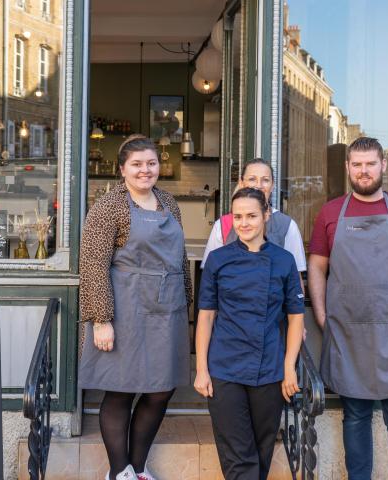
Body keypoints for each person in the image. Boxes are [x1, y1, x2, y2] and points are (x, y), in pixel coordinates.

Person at [307, 137, 388, 480]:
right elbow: (317, 266)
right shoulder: (330, 213)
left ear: (383, 166)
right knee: (356, 420)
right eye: (357, 164)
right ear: (348, 167)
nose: (364, 171)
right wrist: (322, 316)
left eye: (370, 164)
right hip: (349, 336)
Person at [78, 134, 192, 480]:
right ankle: (120, 472)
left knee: (161, 389)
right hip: (124, 308)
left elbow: (180, 258)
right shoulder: (109, 206)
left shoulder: (168, 203)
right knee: (121, 389)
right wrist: (101, 319)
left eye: (152, 163)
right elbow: (94, 263)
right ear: (122, 169)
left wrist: (185, 303)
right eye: (137, 164)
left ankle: (137, 468)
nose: (146, 170)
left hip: (166, 309)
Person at [194, 187, 305, 480]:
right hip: (225, 367)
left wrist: (289, 367)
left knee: (261, 450)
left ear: (266, 215)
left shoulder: (284, 260)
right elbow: (205, 317)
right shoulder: (218, 260)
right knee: (238, 457)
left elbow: (295, 318)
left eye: (252, 216)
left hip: (269, 369)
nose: (244, 223)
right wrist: (201, 369)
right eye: (238, 216)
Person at [201, 158, 306, 277]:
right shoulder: (222, 225)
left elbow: (295, 279)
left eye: (265, 180)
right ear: (241, 183)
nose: (258, 186)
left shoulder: (287, 226)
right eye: (252, 179)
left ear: (272, 186)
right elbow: (210, 274)